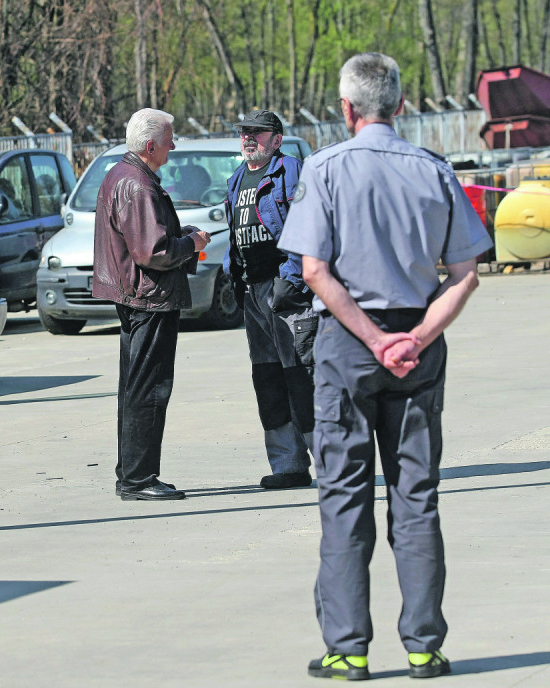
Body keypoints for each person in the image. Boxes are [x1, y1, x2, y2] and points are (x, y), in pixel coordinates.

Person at [278, 52, 492, 681]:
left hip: (348, 346)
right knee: (416, 496)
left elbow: (313, 270)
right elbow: (467, 274)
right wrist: (416, 336)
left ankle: (348, 649)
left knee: (344, 497)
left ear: (346, 109)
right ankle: (424, 646)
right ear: (401, 105)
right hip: (417, 349)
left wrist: (372, 338)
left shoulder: (323, 170)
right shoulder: (434, 170)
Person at [92, 108, 210, 501]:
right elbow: (152, 252)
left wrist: (181, 236)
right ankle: (138, 479)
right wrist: (190, 244)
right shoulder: (137, 184)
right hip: (148, 299)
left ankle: (133, 472)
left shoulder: (122, 176)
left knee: (137, 387)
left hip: (138, 296)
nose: (173, 146)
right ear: (150, 145)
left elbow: (147, 242)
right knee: (149, 389)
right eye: (169, 139)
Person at [223, 109, 317, 489]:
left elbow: (309, 225)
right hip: (253, 292)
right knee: (268, 380)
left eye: (257, 133)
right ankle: (288, 466)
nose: (248, 139)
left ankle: (332, 467)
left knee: (303, 377)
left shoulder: (293, 171)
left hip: (286, 290)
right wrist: (235, 277)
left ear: (276, 139)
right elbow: (234, 235)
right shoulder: (235, 179)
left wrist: (293, 279)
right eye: (244, 133)